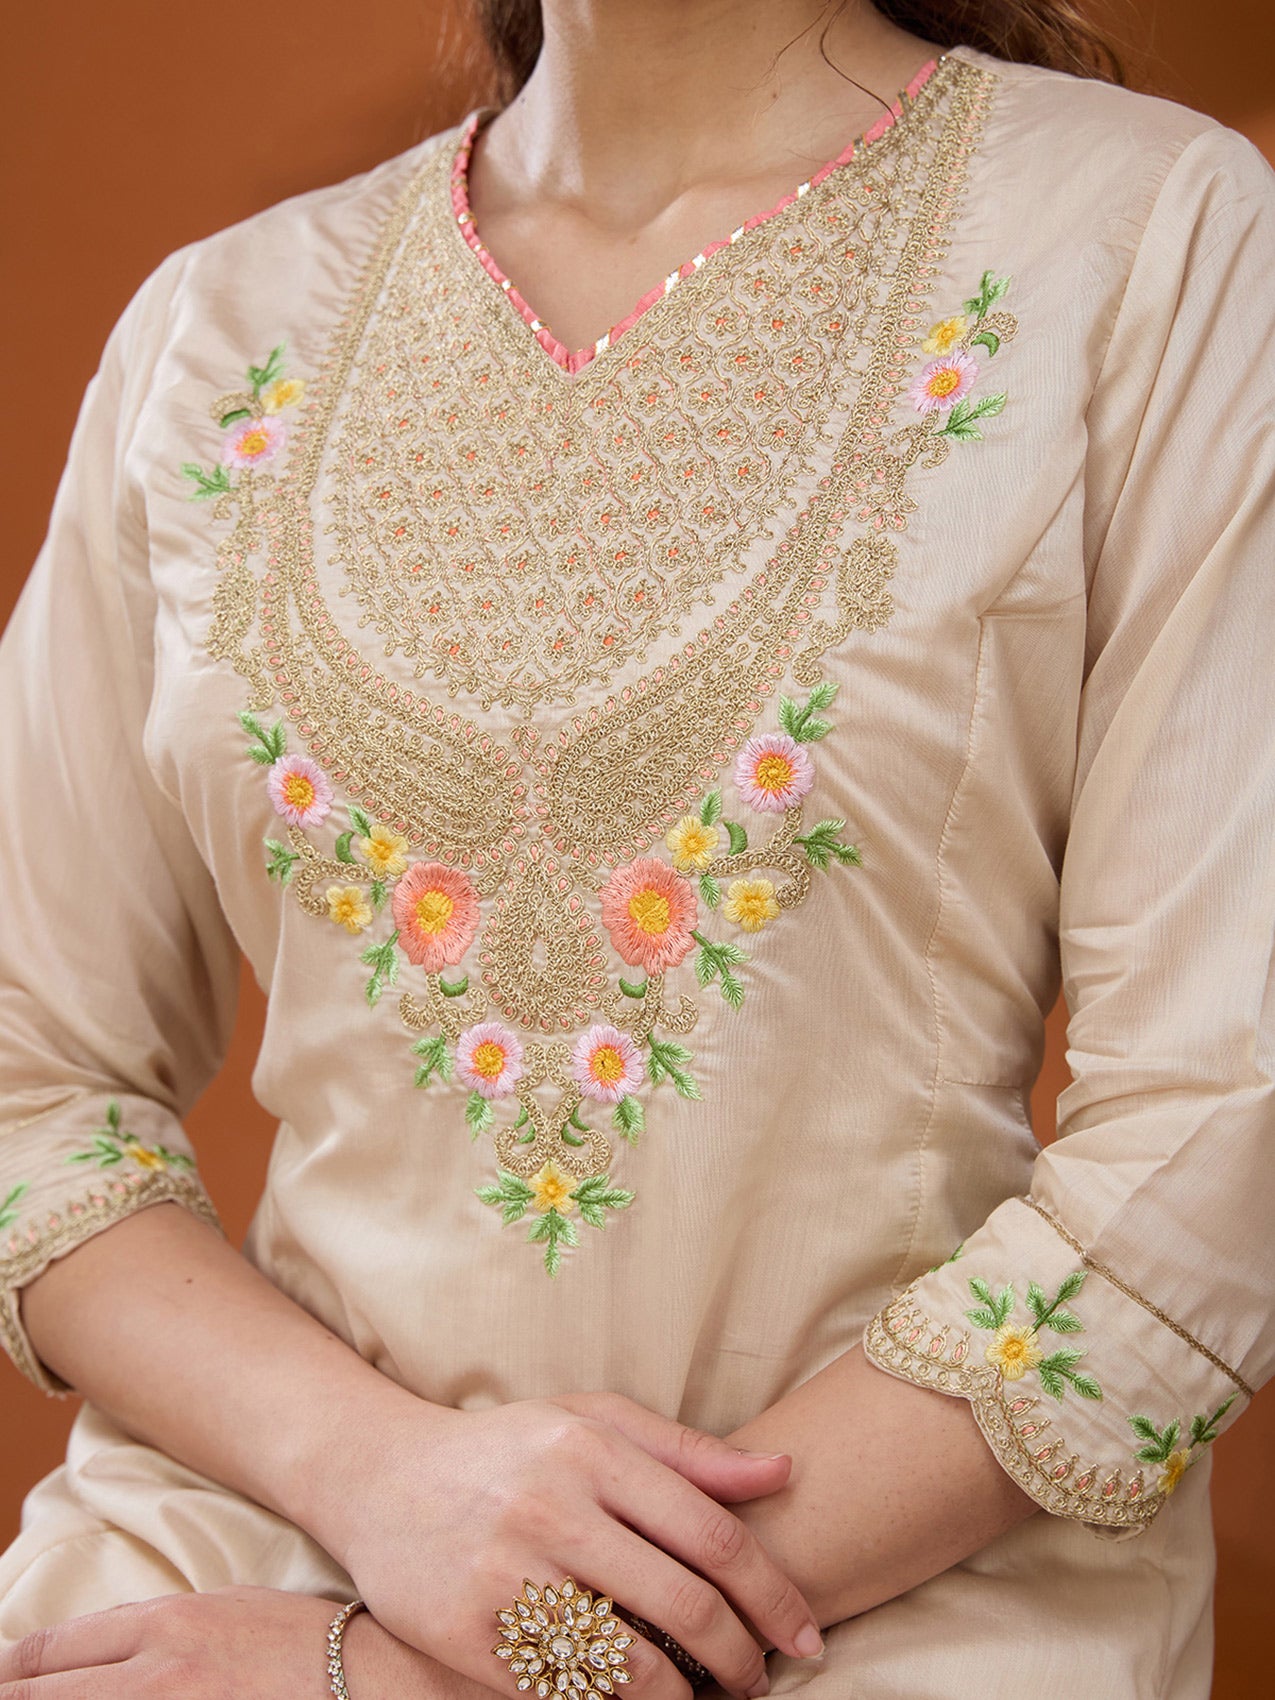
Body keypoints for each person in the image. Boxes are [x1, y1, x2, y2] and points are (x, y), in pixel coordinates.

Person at [0, 0, 1271, 1694]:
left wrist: (500, 1657)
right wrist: (379, 1480)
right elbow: (26, 1073)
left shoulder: (1149, 236)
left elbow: (1224, 1127)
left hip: (882, 1602)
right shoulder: (217, 328)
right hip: (245, 1567)